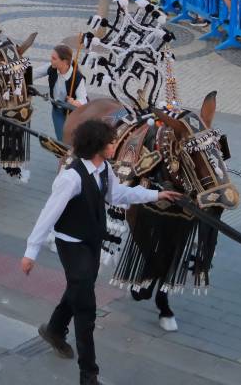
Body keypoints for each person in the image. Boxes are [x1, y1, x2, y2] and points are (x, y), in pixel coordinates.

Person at [21, 119, 180, 385]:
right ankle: (89, 375)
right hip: (72, 244)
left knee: (79, 288)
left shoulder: (105, 168)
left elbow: (117, 195)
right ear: (97, 146)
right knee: (86, 308)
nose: (115, 145)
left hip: (92, 241)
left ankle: (55, 329)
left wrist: (156, 196)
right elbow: (48, 215)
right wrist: (30, 252)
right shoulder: (70, 178)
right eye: (111, 142)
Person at [47, 42, 86, 142]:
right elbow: (34, 73)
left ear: (64, 62)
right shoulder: (52, 67)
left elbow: (83, 100)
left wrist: (73, 102)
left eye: (54, 58)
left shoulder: (78, 78)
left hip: (73, 114)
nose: (50, 60)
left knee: (74, 139)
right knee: (62, 139)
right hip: (57, 111)